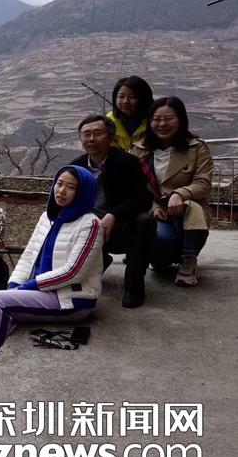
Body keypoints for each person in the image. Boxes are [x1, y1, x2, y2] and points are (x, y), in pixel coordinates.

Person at [0, 166, 103, 368]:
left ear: (82, 192)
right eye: (59, 184)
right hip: (44, 293)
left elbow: (73, 272)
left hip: (71, 299)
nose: (62, 191)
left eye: (71, 187)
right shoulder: (47, 217)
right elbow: (28, 257)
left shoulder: (90, 223)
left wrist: (28, 287)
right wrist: (14, 286)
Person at [70, 115, 154, 307]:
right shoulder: (76, 167)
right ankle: (98, 261)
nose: (91, 139)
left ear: (110, 137)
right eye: (86, 134)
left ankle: (134, 287)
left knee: (144, 223)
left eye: (97, 133)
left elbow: (144, 198)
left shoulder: (128, 162)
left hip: (120, 227)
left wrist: (115, 214)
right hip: (88, 227)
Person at [132, 96, 213, 287]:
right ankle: (160, 259)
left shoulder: (196, 148)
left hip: (186, 211)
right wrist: (153, 208)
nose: (162, 124)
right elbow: (134, 187)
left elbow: (203, 183)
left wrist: (179, 194)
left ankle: (189, 261)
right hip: (156, 210)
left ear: (181, 120)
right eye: (157, 119)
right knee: (161, 241)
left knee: (190, 209)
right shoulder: (139, 150)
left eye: (168, 119)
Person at [106, 75, 154, 151]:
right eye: (121, 97)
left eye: (132, 97)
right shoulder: (109, 121)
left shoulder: (155, 121)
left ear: (144, 98)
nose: (125, 101)